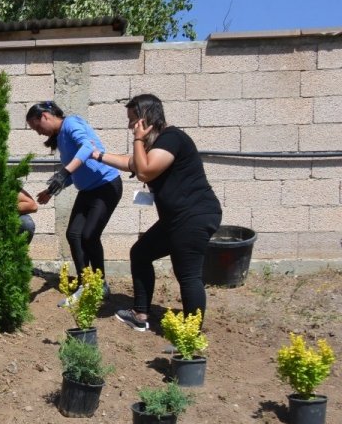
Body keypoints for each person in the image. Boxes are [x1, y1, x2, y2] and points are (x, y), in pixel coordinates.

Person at [98, 94, 222, 331]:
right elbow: (132, 163)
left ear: (145, 119)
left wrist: (138, 139)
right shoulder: (158, 145)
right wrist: (98, 156)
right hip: (175, 219)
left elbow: (144, 171)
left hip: (194, 215)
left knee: (188, 275)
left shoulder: (172, 138)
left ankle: (191, 335)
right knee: (141, 253)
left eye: (133, 120)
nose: (130, 126)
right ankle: (140, 314)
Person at [26, 101, 122, 303]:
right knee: (74, 234)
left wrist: (64, 172)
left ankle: (100, 285)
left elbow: (88, 147)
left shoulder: (71, 123)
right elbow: (75, 171)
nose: (39, 133)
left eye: (37, 127)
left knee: (89, 235)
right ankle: (85, 283)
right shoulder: (60, 137)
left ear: (45, 116)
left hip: (106, 185)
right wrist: (51, 190)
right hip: (88, 190)